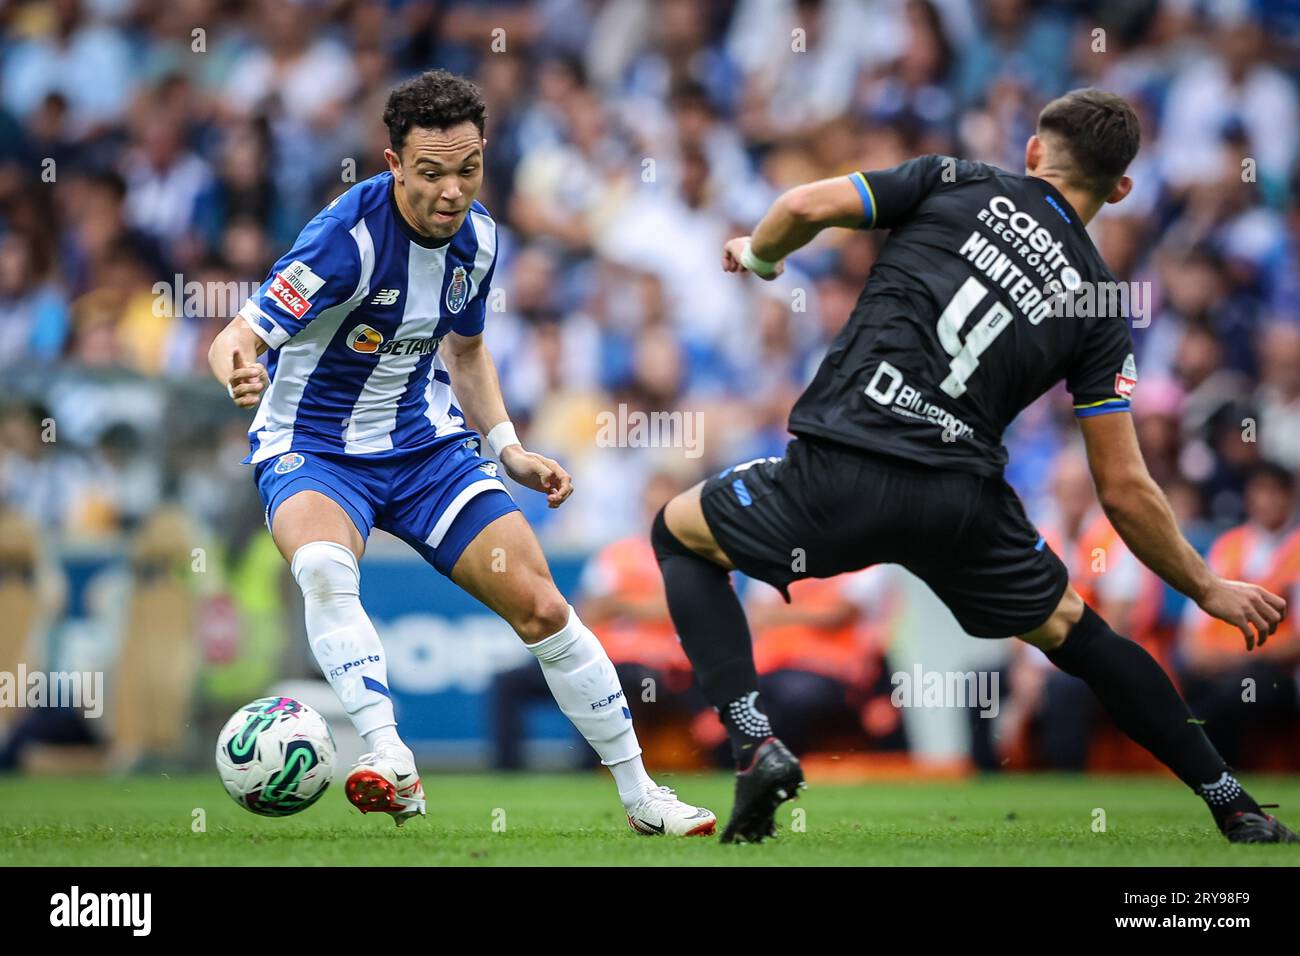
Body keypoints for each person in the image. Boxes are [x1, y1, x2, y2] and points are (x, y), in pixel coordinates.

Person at [651, 88, 1293, 844]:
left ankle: (755, 741)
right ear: (1119, 189)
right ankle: (1233, 804)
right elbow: (1122, 488)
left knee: (677, 535)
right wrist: (1206, 585)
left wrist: (759, 256)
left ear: (1032, 152)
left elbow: (800, 205)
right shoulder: (1100, 307)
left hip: (841, 470)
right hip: (957, 504)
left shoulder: (953, 179)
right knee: (1079, 636)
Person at [207, 70, 714, 835]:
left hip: (425, 450)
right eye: (431, 172)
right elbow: (236, 334)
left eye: (468, 168)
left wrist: (507, 445)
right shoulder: (343, 242)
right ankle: (389, 757)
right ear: (393, 165)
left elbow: (468, 352)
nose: (452, 190)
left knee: (544, 607)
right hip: (313, 446)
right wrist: (241, 369)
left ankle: (645, 797)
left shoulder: (479, 237)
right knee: (322, 568)